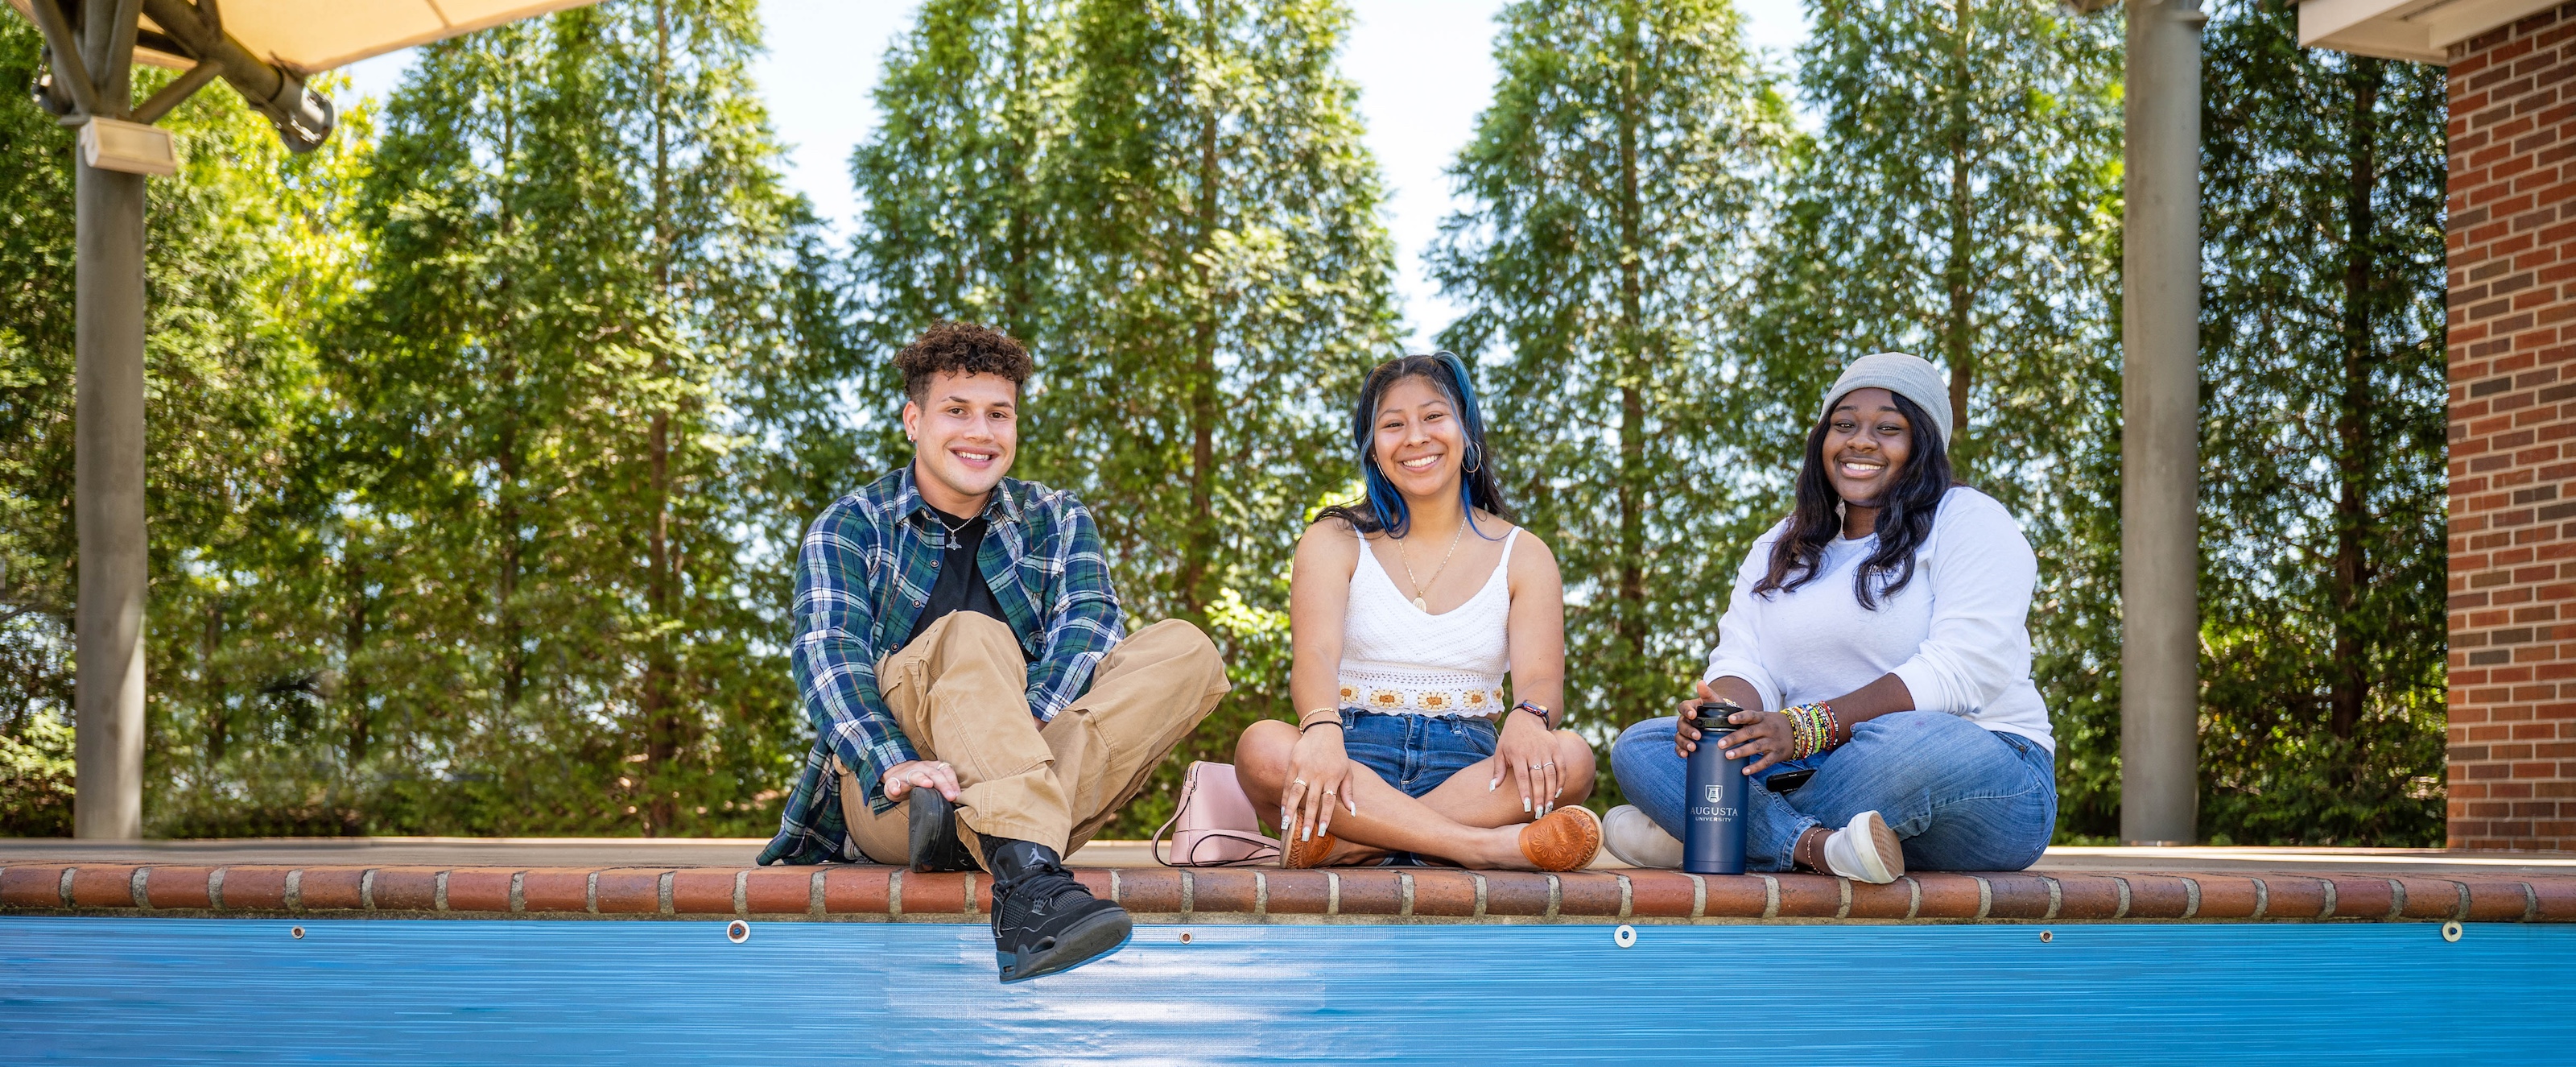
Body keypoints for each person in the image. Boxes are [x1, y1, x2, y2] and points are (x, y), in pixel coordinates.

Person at [757, 321, 1231, 982]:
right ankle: (1031, 872)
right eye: (957, 411)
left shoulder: (1058, 517)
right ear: (913, 419)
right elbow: (828, 657)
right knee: (973, 631)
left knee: (1186, 649)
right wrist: (894, 763)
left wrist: (1015, 725)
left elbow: (1092, 624)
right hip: (898, 798)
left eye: (998, 414)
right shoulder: (851, 524)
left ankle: (1017, 863)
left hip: (1022, 768)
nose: (980, 432)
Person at [1604, 353, 2057, 882]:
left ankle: (1716, 828)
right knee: (1644, 745)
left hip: (1985, 773)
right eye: (1843, 424)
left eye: (1889, 427)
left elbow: (1961, 671)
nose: (1861, 441)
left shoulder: (1970, 520)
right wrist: (1722, 722)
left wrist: (1804, 728)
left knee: (1911, 741)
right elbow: (1743, 660)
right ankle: (1818, 847)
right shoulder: (1782, 545)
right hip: (1813, 769)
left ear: (1924, 444)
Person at [1232, 353, 1603, 871]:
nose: (1415, 438)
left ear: (1466, 430)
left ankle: (1356, 844)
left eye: (1433, 416)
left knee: (1572, 759)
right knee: (1262, 748)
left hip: (1471, 769)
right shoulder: (1332, 540)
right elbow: (1314, 654)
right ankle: (1482, 847)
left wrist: (1529, 716)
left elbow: (1542, 680)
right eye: (1392, 424)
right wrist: (1320, 729)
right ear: (1373, 447)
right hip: (1351, 760)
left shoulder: (1525, 554)